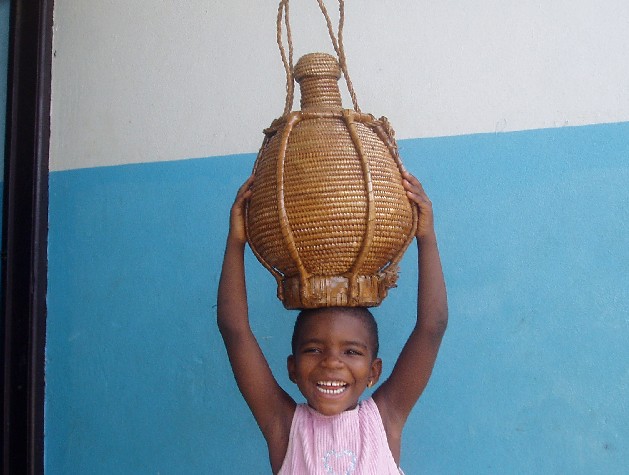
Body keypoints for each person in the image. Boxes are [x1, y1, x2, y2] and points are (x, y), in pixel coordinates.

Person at [217, 171, 448, 474]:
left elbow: (432, 327)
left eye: (351, 351)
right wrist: (236, 242)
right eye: (313, 349)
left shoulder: (384, 420)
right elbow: (235, 331)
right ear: (292, 368)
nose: (331, 363)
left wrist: (426, 236)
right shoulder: (285, 427)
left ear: (373, 372)